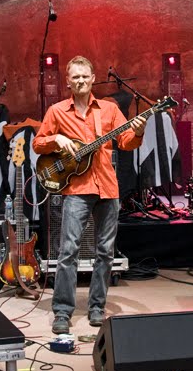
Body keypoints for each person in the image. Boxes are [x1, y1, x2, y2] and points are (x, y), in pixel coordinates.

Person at [32, 56, 148, 334]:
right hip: (76, 189)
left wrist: (139, 131)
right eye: (76, 77)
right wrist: (56, 139)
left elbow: (126, 142)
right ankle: (62, 311)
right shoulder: (57, 111)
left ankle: (97, 307)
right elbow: (37, 145)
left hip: (107, 187)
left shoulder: (109, 109)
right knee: (67, 251)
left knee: (105, 252)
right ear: (68, 81)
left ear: (93, 78)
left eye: (85, 76)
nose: (81, 81)